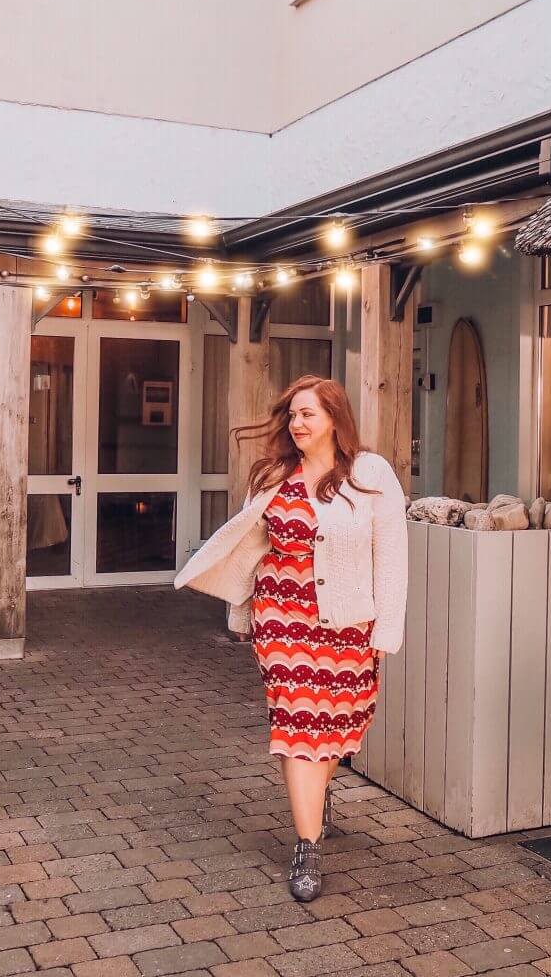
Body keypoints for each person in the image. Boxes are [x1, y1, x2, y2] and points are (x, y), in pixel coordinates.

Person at [174, 375, 409, 901]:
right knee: (299, 721)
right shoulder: (277, 475)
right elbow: (255, 547)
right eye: (293, 415)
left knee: (335, 722)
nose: (297, 424)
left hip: (348, 625)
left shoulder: (372, 474)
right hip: (282, 620)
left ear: (335, 419)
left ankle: (316, 796)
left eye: (308, 415)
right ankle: (307, 846)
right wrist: (241, 616)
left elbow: (391, 558)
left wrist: (385, 631)